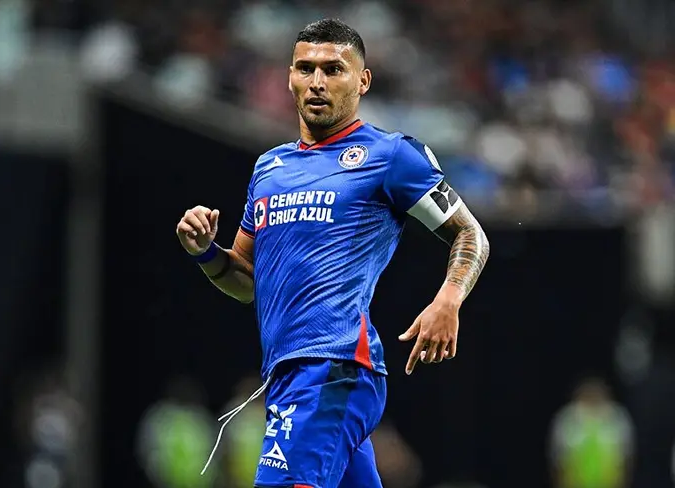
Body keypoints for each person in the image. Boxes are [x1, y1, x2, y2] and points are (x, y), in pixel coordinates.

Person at [176, 18, 490, 488]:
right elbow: (245, 282)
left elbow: (471, 234)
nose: (317, 81)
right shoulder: (269, 168)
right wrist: (205, 251)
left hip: (333, 366)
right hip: (286, 372)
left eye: (334, 69)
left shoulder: (391, 156)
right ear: (289, 77)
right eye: (306, 68)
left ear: (363, 81)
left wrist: (449, 299)